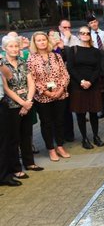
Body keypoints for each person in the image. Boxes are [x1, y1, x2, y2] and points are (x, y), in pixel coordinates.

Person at [2, 36, 43, 180]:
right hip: (12, 106)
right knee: (14, 138)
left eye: (16, 46)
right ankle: (16, 168)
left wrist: (29, 101)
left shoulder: (23, 62)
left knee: (27, 134)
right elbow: (6, 88)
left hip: (27, 102)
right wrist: (22, 102)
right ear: (4, 49)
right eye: (11, 46)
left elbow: (31, 82)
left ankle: (29, 162)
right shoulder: (2, 64)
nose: (14, 49)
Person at [27, 31, 71, 161]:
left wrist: (61, 89)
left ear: (48, 41)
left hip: (60, 95)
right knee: (46, 123)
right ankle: (51, 149)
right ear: (34, 43)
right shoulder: (31, 59)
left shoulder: (56, 56)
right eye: (38, 40)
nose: (42, 42)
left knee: (60, 121)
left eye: (43, 40)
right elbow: (33, 79)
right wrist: (47, 92)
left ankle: (60, 146)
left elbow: (65, 74)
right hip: (43, 97)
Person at [66, 26, 104, 149]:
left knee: (94, 112)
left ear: (90, 35)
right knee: (81, 113)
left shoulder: (96, 51)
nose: (85, 35)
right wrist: (82, 81)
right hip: (77, 85)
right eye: (82, 33)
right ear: (78, 35)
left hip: (92, 85)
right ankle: (84, 138)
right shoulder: (73, 50)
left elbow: (98, 68)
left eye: (87, 33)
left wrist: (90, 81)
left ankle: (96, 136)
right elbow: (70, 68)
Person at [0, 52, 20, 186]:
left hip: (1, 104)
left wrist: (0, 63)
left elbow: (9, 75)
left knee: (3, 141)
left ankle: (4, 176)